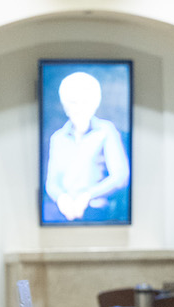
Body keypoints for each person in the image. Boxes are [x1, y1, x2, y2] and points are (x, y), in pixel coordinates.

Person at [44, 71, 130, 222]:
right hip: (63, 213)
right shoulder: (58, 138)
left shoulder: (106, 131)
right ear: (65, 105)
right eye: (72, 102)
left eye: (84, 101)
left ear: (94, 103)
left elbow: (120, 177)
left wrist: (87, 196)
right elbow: (52, 183)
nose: (78, 108)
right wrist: (62, 199)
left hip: (98, 212)